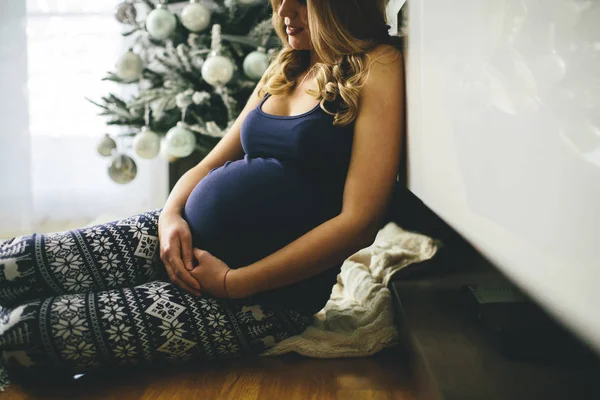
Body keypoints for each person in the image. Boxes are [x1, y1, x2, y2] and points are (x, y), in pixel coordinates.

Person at [0, 0, 404, 378]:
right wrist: (170, 215)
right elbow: (211, 162)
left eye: (300, 0)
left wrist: (233, 282)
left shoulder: (376, 66)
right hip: (178, 241)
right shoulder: (288, 64)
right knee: (14, 263)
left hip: (260, 299)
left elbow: (359, 222)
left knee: (23, 334)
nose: (283, 12)